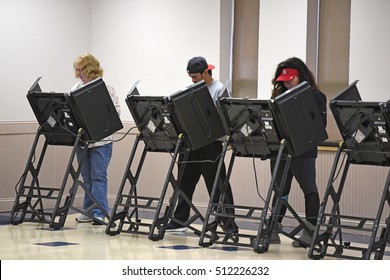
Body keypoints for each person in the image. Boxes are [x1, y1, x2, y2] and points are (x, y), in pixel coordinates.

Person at [166, 56, 237, 235]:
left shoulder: (220, 90)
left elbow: (225, 119)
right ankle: (179, 219)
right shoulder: (190, 90)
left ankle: (228, 223)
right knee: (184, 182)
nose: (193, 80)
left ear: (206, 72)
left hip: (211, 145)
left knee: (218, 185)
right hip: (191, 144)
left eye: (196, 77)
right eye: (190, 77)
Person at [269, 57, 327, 246]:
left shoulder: (316, 96)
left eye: (290, 79)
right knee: (280, 190)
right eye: (283, 80)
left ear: (301, 76)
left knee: (309, 189)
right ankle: (274, 228)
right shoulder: (278, 97)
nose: (286, 83)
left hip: (304, 150)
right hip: (282, 150)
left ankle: (310, 232)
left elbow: (320, 126)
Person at [72, 53, 121, 225]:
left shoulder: (105, 87)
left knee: (98, 176)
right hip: (84, 141)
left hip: (102, 141)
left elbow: (115, 111)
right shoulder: (76, 88)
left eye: (81, 70)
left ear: (90, 69)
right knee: (87, 177)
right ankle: (88, 210)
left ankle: (100, 212)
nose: (78, 73)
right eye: (76, 70)